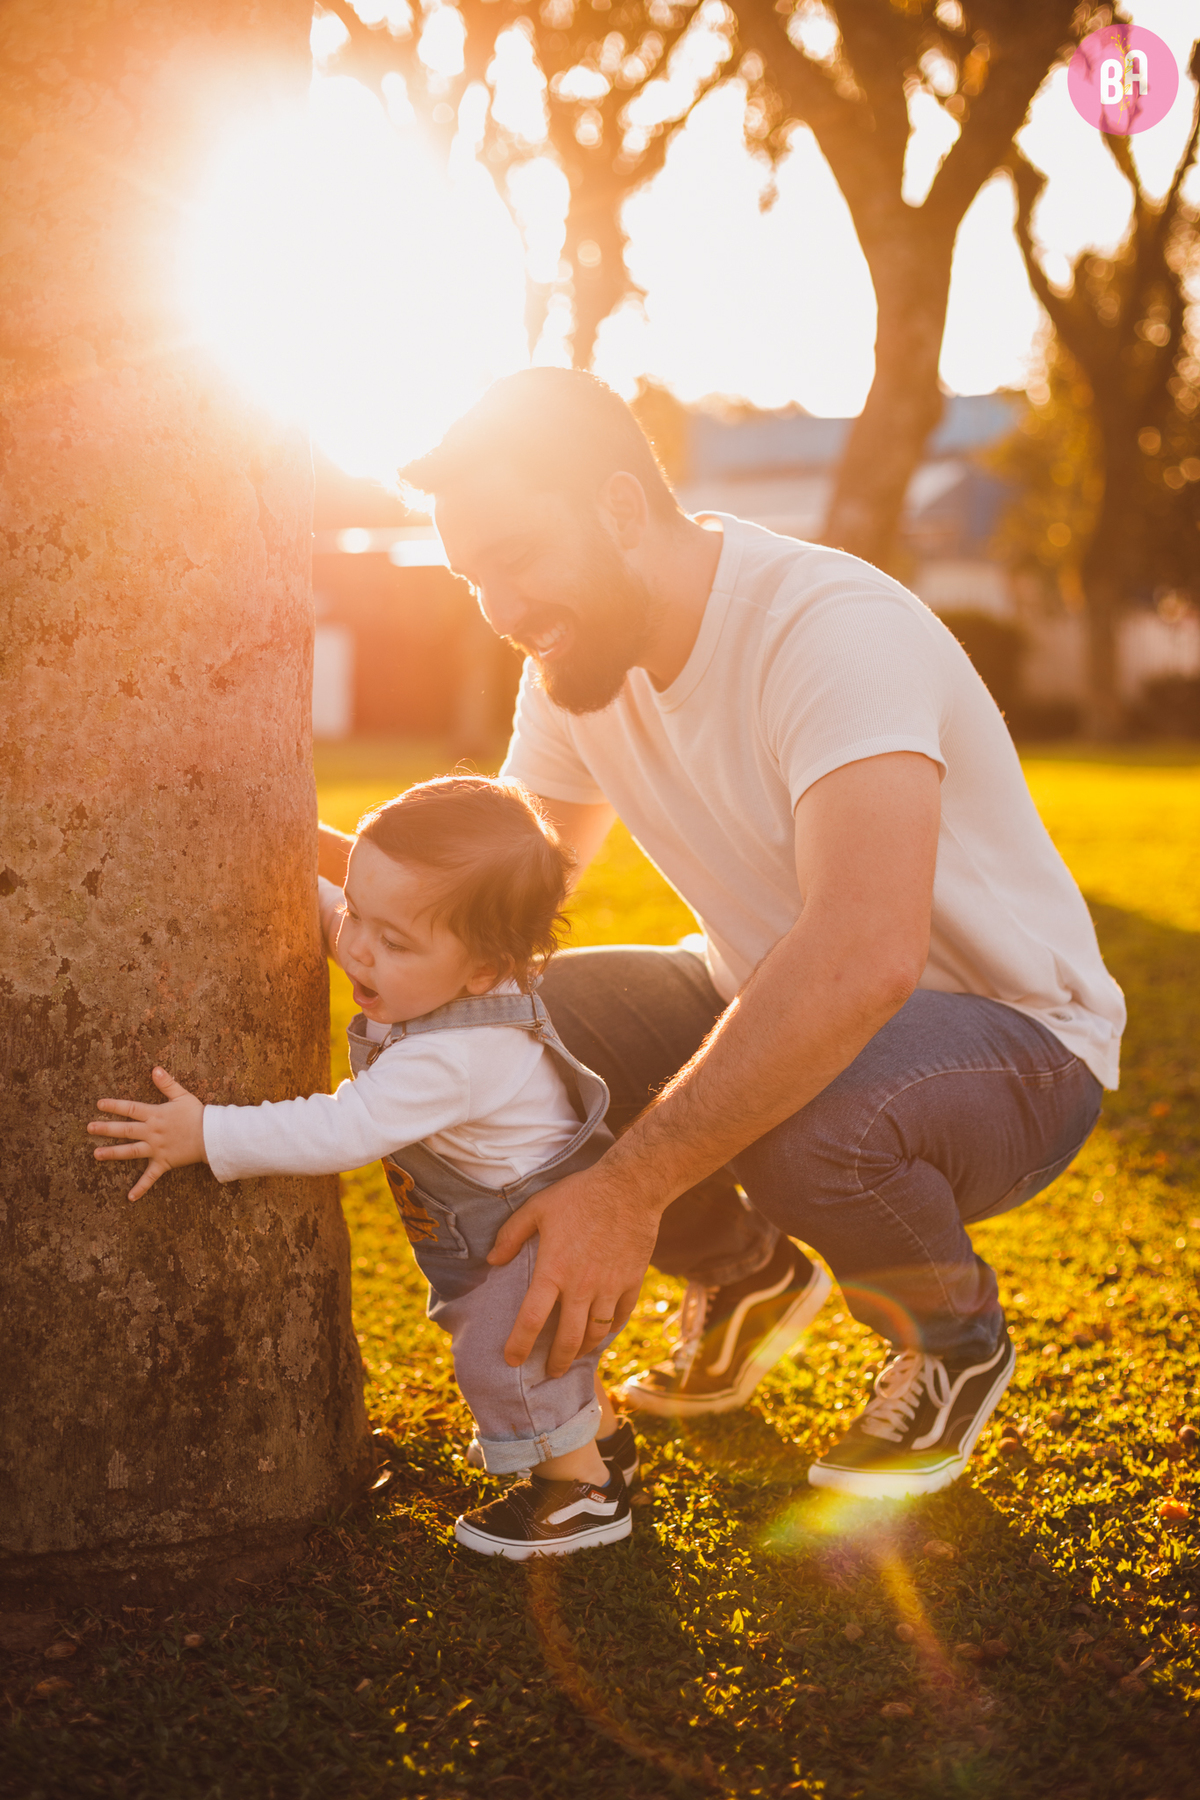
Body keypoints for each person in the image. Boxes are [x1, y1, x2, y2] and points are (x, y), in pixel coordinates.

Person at [333, 367, 1125, 1503]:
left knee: (803, 1119)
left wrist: (624, 1193)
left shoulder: (827, 630)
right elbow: (493, 902)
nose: (499, 607)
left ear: (617, 509)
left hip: (1018, 1044)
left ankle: (954, 1343)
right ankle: (744, 1275)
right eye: (472, 577)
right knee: (501, 1029)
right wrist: (281, 848)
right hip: (764, 988)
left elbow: (864, 959)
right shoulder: (571, 661)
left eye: (515, 557)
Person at [88, 776, 639, 1559]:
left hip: (532, 1241)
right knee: (533, 1349)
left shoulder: (456, 1055)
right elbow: (340, 916)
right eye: (354, 911)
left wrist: (206, 1134)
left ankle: (582, 1492)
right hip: (498, 1228)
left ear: (485, 971)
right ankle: (599, 1439)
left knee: (507, 1354)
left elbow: (344, 1128)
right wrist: (293, 884)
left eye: (394, 941)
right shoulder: (442, 974)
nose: (355, 946)